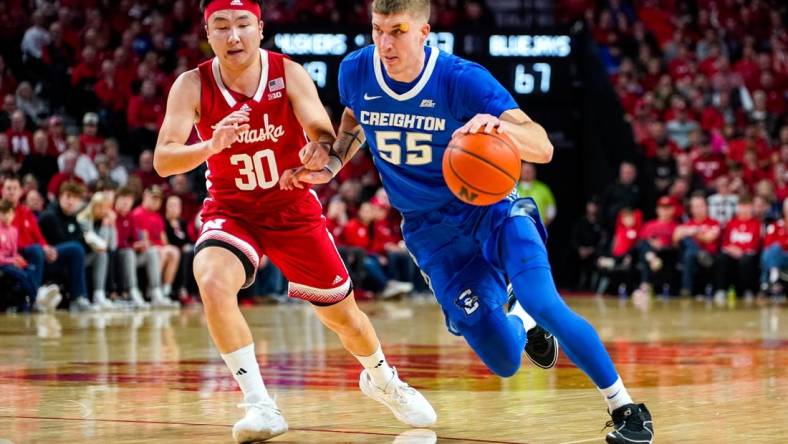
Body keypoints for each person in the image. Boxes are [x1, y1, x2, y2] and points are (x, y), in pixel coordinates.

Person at [281, 1, 652, 442]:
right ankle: (520, 321)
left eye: (397, 30)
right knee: (503, 360)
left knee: (544, 300)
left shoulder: (461, 79)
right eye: (378, 29)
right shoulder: (356, 71)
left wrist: (498, 129)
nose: (385, 42)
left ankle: (627, 409)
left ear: (424, 32)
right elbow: (355, 117)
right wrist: (331, 161)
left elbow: (542, 145)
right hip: (429, 232)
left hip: (493, 211)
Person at [153, 1, 434, 442]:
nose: (233, 36)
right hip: (232, 210)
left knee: (346, 319)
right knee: (209, 278)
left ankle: (383, 380)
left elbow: (323, 132)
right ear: (207, 34)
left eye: (243, 25)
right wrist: (211, 145)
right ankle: (260, 406)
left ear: (259, 28)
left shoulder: (288, 73)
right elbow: (164, 160)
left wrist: (316, 152)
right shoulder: (191, 85)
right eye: (221, 27)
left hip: (291, 208)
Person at [0, 198, 60, 311]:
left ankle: (35, 300)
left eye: (9, 213)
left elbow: (13, 252)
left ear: (13, 214)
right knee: (22, 275)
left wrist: (17, 259)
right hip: (3, 263)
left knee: (30, 269)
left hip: (10, 262)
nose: (6, 216)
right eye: (3, 213)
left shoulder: (13, 231)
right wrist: (12, 261)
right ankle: (39, 296)